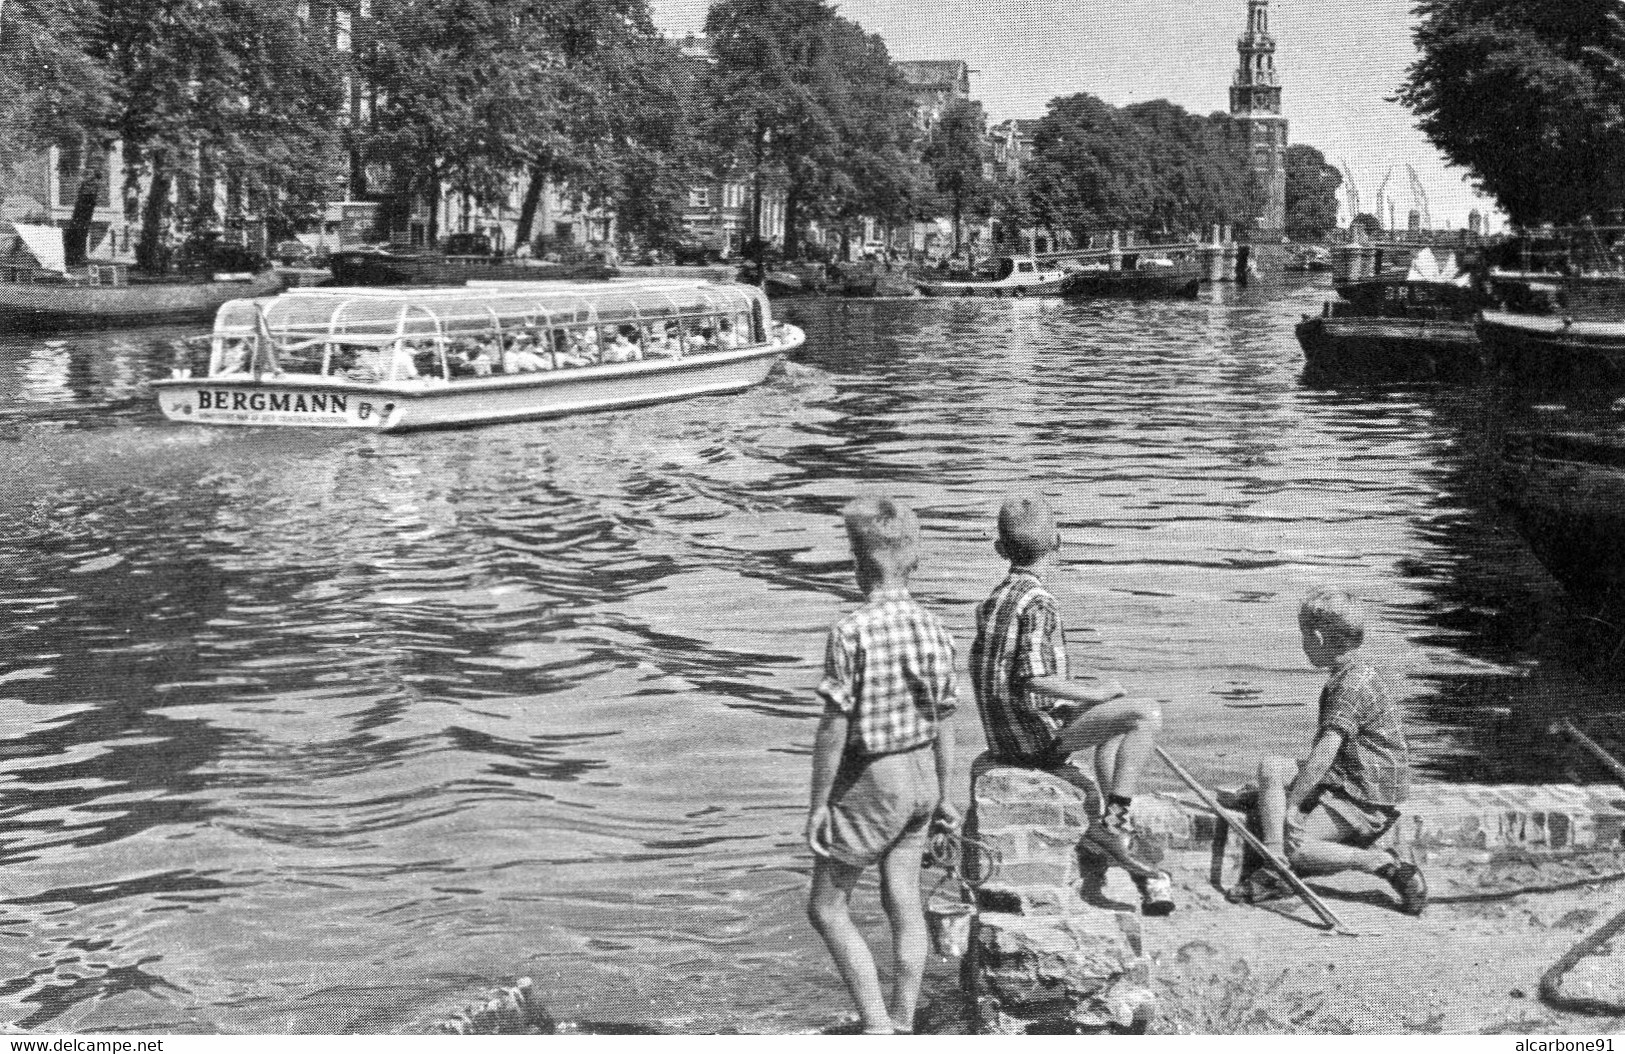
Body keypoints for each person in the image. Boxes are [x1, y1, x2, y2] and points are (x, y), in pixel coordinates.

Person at [969, 495, 1174, 915]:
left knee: (1116, 726)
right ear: (1058, 542)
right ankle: (1116, 823)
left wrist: (1087, 700)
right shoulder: (1039, 602)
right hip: (1032, 741)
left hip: (1004, 734)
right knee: (1144, 714)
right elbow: (1035, 679)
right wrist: (1096, 694)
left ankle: (1110, 815)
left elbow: (1013, 680)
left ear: (1000, 550)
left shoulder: (994, 599)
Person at [806, 497, 959, 1036]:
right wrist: (945, 794)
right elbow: (945, 720)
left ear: (856, 564)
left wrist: (819, 805)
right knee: (904, 901)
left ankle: (875, 1027)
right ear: (912, 562)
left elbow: (834, 729)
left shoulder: (851, 631)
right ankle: (904, 1019)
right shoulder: (935, 629)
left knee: (826, 907)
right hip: (922, 778)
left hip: (876, 782)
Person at [1232, 588, 1426, 915]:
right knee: (1271, 768)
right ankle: (1276, 858)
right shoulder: (1356, 672)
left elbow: (1325, 752)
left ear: (1319, 638)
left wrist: (1292, 806)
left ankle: (1380, 862)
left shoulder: (1349, 686)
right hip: (1353, 778)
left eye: (1304, 638)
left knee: (1297, 844)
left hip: (1364, 797)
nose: (1304, 646)